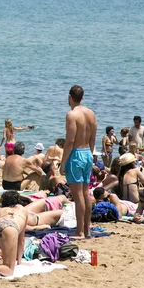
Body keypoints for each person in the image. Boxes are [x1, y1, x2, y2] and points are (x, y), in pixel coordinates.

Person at [60, 85, 97, 240]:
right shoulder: (91, 113)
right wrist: (91, 153)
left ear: (70, 97)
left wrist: (63, 162)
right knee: (86, 193)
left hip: (75, 154)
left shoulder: (72, 115)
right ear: (82, 97)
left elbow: (69, 141)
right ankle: (87, 230)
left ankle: (80, 231)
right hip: (87, 152)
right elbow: (93, 137)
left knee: (78, 195)